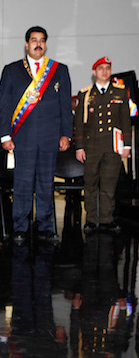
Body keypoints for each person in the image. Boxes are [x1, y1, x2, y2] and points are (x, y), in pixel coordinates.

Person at [0, 26, 72, 244]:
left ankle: (46, 227)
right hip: (23, 138)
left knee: (46, 184)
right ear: (26, 44)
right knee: (22, 183)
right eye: (33, 40)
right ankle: (20, 227)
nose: (38, 44)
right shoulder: (12, 70)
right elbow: (4, 106)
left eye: (41, 40)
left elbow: (65, 105)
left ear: (45, 44)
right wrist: (5, 136)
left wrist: (66, 134)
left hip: (50, 137)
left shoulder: (59, 70)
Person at [74, 57, 131, 233]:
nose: (104, 71)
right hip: (91, 147)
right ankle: (91, 219)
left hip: (112, 146)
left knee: (109, 184)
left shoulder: (120, 93)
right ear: (94, 72)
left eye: (107, 68)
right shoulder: (85, 94)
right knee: (90, 184)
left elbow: (125, 120)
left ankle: (106, 219)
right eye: (101, 68)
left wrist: (127, 146)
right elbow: (79, 124)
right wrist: (79, 147)